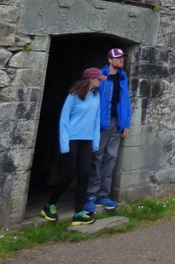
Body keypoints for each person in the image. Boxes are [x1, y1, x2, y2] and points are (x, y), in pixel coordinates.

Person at [40, 67, 106, 225]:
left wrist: (95, 142)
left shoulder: (96, 97)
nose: (101, 80)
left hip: (87, 141)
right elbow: (64, 121)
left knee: (84, 174)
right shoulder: (73, 97)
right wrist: (64, 144)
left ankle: (79, 212)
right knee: (69, 174)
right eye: (98, 78)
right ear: (90, 79)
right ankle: (50, 205)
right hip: (72, 140)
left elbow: (96, 121)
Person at [85, 47, 131, 213]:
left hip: (115, 123)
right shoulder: (100, 77)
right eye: (118, 58)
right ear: (109, 60)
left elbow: (125, 101)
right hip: (100, 124)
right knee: (97, 157)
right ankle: (91, 194)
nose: (121, 60)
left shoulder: (122, 77)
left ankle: (103, 194)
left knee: (111, 158)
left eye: (122, 58)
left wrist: (125, 123)